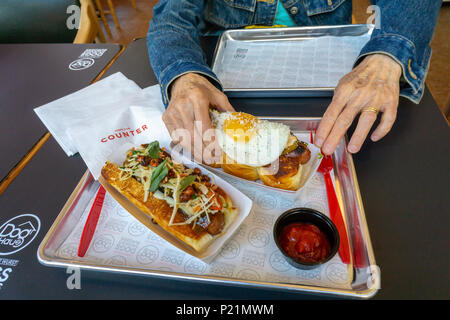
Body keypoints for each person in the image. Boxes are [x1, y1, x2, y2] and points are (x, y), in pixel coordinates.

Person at [147, 0, 441, 163]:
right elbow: (171, 16)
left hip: (335, 92)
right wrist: (183, 75)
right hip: (220, 92)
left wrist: (388, 54)